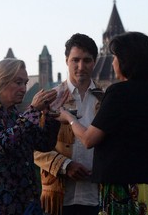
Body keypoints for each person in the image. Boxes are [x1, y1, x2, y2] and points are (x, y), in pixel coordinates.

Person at [57, 31, 148, 215]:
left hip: (124, 189)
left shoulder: (118, 93)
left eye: (116, 57)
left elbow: (88, 139)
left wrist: (68, 118)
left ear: (127, 61)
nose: (112, 62)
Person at [0, 58, 60, 214]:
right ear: (0, 82)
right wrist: (33, 111)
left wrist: (50, 115)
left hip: (21, 203)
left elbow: (44, 144)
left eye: (25, 82)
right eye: (18, 83)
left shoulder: (15, 116)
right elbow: (3, 143)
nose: (24, 88)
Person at [34, 33, 103, 215]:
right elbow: (34, 148)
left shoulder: (105, 100)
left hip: (98, 196)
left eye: (87, 60)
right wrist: (65, 166)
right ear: (66, 61)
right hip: (59, 198)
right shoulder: (50, 99)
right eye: (75, 60)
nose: (81, 66)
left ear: (94, 62)